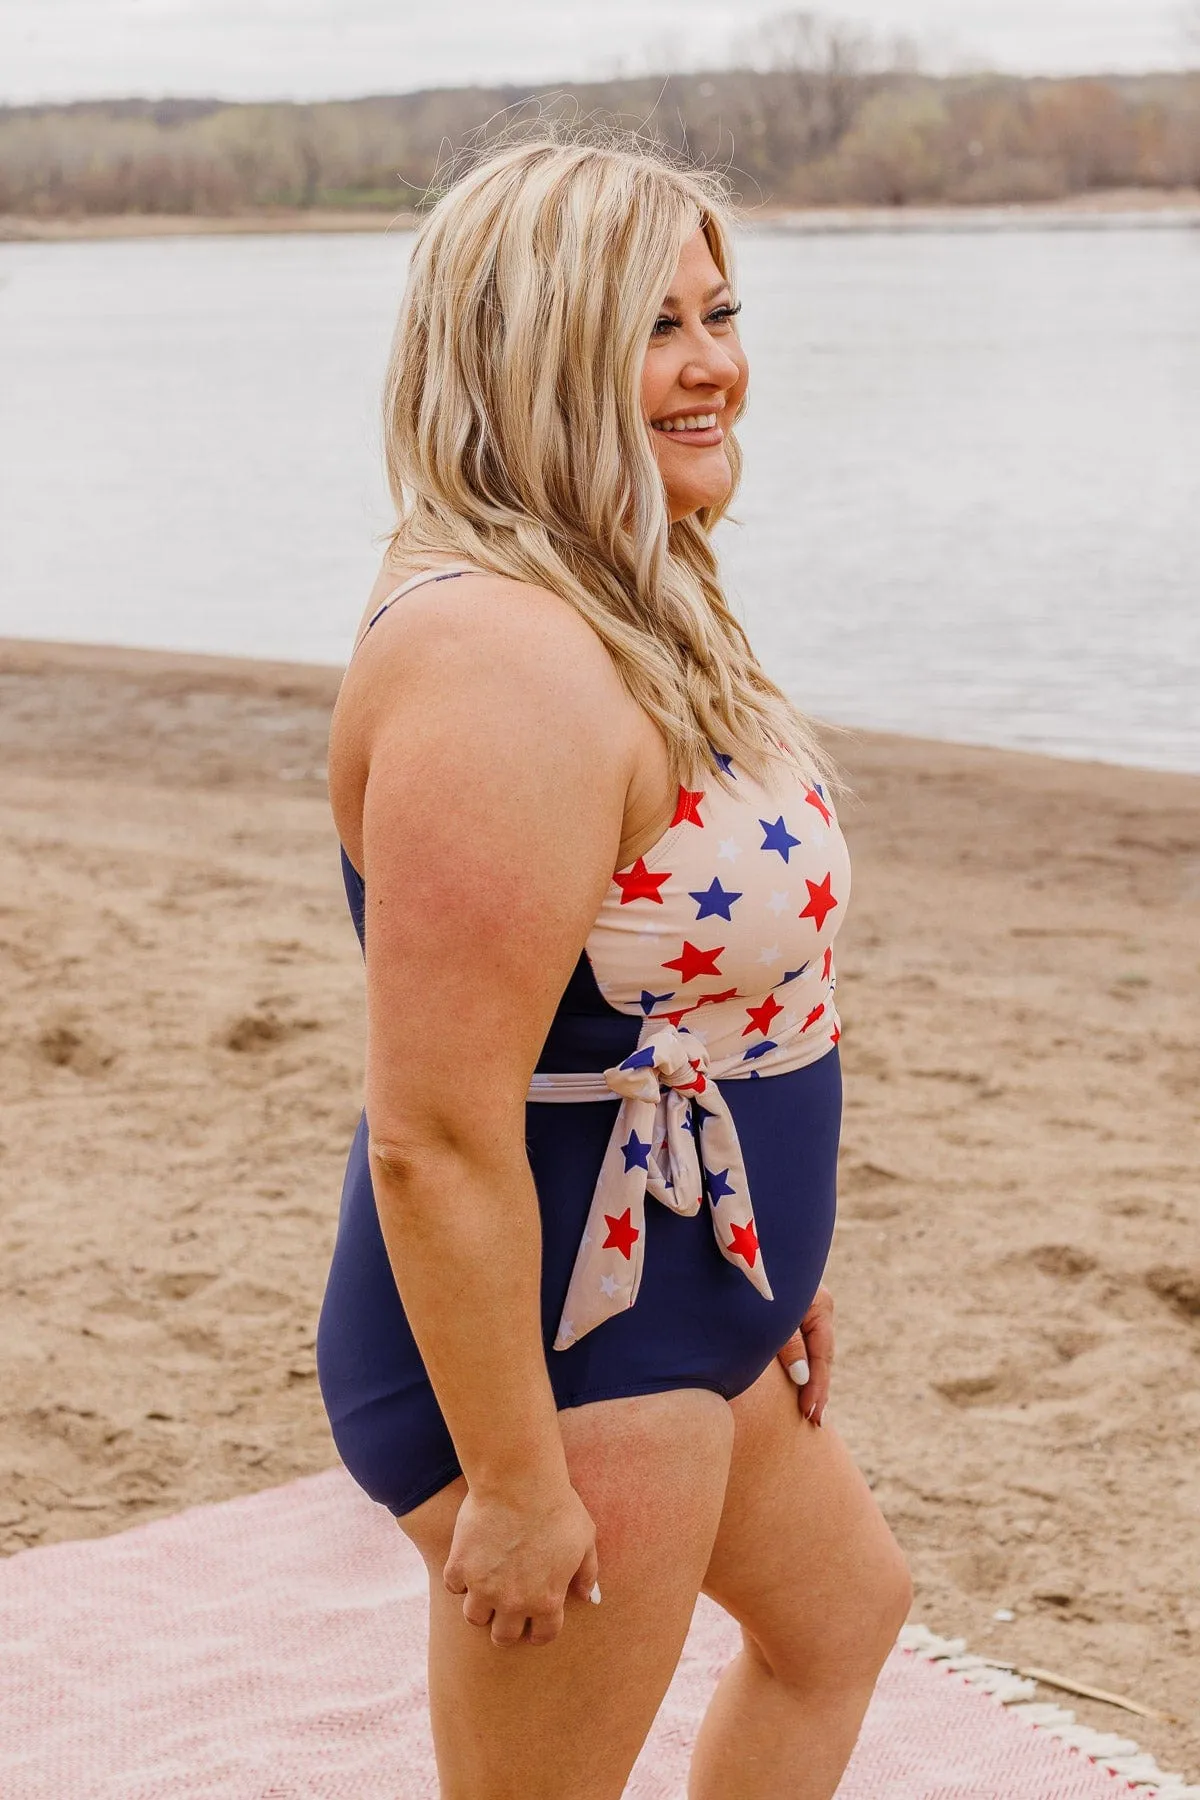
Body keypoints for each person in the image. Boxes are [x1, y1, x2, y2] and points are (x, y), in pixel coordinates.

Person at [316, 134, 912, 1800]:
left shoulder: (623, 590)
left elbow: (705, 1006)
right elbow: (433, 1128)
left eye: (718, 312)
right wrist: (513, 1479)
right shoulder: (495, 660)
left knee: (839, 1623)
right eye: (653, 328)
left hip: (689, 1285)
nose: (714, 361)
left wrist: (774, 1256)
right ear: (534, 351)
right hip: (577, 1358)